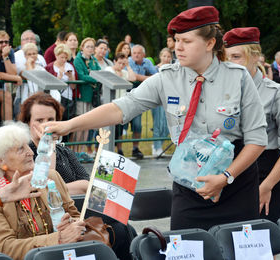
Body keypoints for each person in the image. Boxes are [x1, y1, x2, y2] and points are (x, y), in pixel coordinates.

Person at [44, 6, 268, 231]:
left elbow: (257, 139)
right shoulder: (167, 78)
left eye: (187, 41)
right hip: (189, 182)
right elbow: (121, 108)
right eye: (176, 40)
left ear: (210, 43)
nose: (178, 47)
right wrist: (68, 125)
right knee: (187, 248)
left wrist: (225, 177)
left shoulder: (237, 78)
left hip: (234, 182)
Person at [0, 122, 131, 260]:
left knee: (122, 231)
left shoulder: (50, 177)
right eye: (20, 149)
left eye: (28, 146)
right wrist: (58, 239)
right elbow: (5, 247)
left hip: (63, 252)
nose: (30, 152)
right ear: (0, 161)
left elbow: (75, 214)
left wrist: (71, 224)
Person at [224, 27, 280, 223]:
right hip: (230, 173)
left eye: (236, 56)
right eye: (225, 58)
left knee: (263, 246)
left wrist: (267, 187)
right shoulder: (223, 92)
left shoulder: (276, 93)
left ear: (255, 56)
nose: (229, 64)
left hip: (265, 175)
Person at [19, 92, 89, 194]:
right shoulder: (24, 153)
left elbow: (87, 185)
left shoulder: (64, 151)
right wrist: (49, 144)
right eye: (40, 120)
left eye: (51, 119)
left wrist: (55, 189)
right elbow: (42, 188)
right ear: (28, 122)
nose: (46, 125)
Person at [128, 44, 158, 159]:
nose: (136, 55)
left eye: (138, 53)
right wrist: (146, 78)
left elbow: (156, 76)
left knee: (137, 125)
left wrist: (141, 77)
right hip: (126, 94)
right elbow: (132, 77)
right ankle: (119, 150)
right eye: (134, 53)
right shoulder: (129, 61)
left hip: (139, 97)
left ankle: (135, 148)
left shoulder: (147, 62)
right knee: (122, 126)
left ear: (143, 55)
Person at [74, 38, 101, 159]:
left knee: (87, 125)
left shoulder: (94, 60)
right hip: (82, 95)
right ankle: (74, 151)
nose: (90, 49)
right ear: (82, 47)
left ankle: (83, 151)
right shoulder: (78, 60)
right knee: (80, 124)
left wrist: (95, 77)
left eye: (92, 47)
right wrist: (94, 79)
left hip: (92, 95)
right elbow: (81, 75)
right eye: (88, 46)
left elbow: (99, 72)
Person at [105, 52, 136, 155]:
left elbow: (133, 78)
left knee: (120, 129)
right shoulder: (109, 70)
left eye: (123, 64)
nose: (121, 66)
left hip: (121, 103)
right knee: (108, 128)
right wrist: (118, 74)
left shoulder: (124, 72)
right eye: (119, 63)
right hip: (110, 103)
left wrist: (128, 66)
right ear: (114, 61)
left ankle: (119, 149)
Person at [0, 30, 22, 122]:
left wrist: (5, 56)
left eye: (6, 42)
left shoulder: (9, 51)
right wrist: (16, 78)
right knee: (6, 96)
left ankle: (7, 129)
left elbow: (12, 72)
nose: (4, 44)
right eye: (1, 42)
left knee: (6, 97)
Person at [46, 44, 75, 122]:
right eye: (62, 57)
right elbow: (47, 84)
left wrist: (70, 77)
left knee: (67, 120)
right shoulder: (49, 67)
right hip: (54, 98)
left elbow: (73, 86)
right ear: (56, 55)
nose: (64, 60)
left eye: (66, 58)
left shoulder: (70, 66)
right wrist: (59, 76)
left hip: (67, 97)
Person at [14, 43, 44, 118]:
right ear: (25, 56)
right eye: (29, 54)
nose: (32, 56)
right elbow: (30, 76)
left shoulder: (41, 68)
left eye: (34, 53)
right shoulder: (21, 68)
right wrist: (29, 64)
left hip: (38, 99)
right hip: (22, 99)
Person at [151, 48, 171, 156]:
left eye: (168, 57)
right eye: (164, 56)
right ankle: (157, 147)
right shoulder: (154, 69)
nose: (166, 59)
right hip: (157, 99)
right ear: (160, 56)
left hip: (169, 99)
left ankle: (158, 145)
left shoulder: (173, 69)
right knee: (158, 123)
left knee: (167, 125)